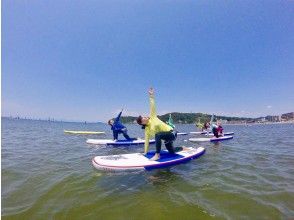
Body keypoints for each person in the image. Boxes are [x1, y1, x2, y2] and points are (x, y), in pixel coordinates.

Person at [136, 88, 185, 161]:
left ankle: (157, 155)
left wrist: (151, 96)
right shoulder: (147, 130)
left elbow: (152, 106)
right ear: (142, 122)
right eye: (143, 118)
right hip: (166, 138)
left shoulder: (152, 117)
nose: (145, 117)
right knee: (172, 152)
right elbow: (146, 141)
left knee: (158, 135)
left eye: (144, 117)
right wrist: (145, 152)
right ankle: (183, 148)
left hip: (172, 133)